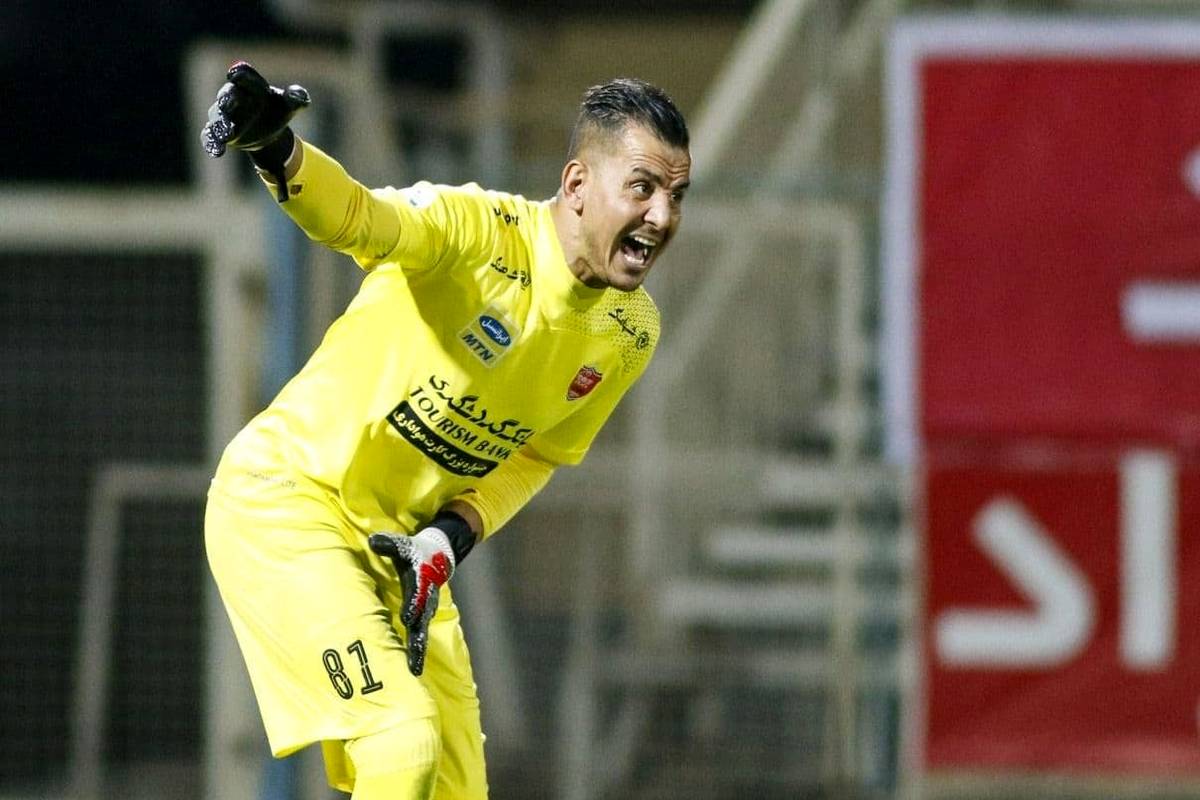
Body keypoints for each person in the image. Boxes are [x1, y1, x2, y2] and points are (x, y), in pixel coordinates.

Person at [200, 62, 691, 799]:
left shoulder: (630, 331)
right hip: (286, 501)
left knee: (454, 788)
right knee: (401, 741)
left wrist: (449, 537)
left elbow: (535, 455)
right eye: (643, 188)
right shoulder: (474, 231)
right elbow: (358, 217)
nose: (662, 215)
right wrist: (279, 151)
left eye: (677, 195)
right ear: (578, 185)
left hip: (396, 548)